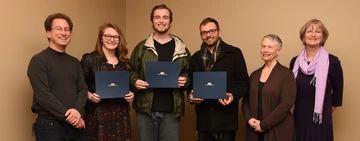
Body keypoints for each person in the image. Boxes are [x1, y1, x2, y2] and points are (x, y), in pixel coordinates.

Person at [129, 4, 191, 141]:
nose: (161, 21)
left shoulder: (182, 48)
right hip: (145, 110)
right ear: (152, 21)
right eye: (157, 17)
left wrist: (185, 80)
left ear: (170, 21)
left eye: (165, 17)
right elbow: (131, 71)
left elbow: (189, 73)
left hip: (172, 110)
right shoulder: (141, 48)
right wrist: (134, 81)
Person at [27, 13, 89, 141]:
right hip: (51, 127)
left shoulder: (75, 62)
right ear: (48, 33)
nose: (64, 33)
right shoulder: (39, 60)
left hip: (76, 124)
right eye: (59, 29)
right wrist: (70, 116)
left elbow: (83, 89)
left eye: (67, 29)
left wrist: (77, 111)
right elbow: (43, 95)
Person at [188, 17, 249, 141]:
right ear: (201, 35)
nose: (208, 35)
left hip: (226, 120)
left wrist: (232, 95)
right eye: (204, 32)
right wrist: (191, 97)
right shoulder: (195, 58)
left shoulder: (234, 53)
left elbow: (244, 82)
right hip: (203, 121)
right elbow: (191, 85)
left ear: (219, 31)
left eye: (212, 31)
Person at [290, 19, 344, 141]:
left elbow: (338, 93)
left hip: (320, 118)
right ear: (303, 36)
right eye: (309, 31)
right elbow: (290, 90)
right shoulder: (294, 62)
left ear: (323, 37)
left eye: (318, 32)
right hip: (298, 116)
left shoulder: (332, 61)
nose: (313, 35)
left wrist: (322, 112)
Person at [81, 23, 134, 141]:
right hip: (98, 114)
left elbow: (129, 85)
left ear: (119, 39)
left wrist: (131, 94)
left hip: (120, 114)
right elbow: (79, 85)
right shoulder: (89, 59)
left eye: (115, 37)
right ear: (101, 38)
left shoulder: (125, 62)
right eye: (108, 36)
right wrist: (89, 96)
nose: (112, 40)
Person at [242, 34, 296, 141]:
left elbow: (286, 104)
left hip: (278, 132)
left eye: (270, 47)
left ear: (278, 51)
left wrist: (264, 125)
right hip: (254, 131)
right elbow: (245, 100)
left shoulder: (286, 74)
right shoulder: (254, 75)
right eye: (263, 46)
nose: (265, 50)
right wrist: (249, 119)